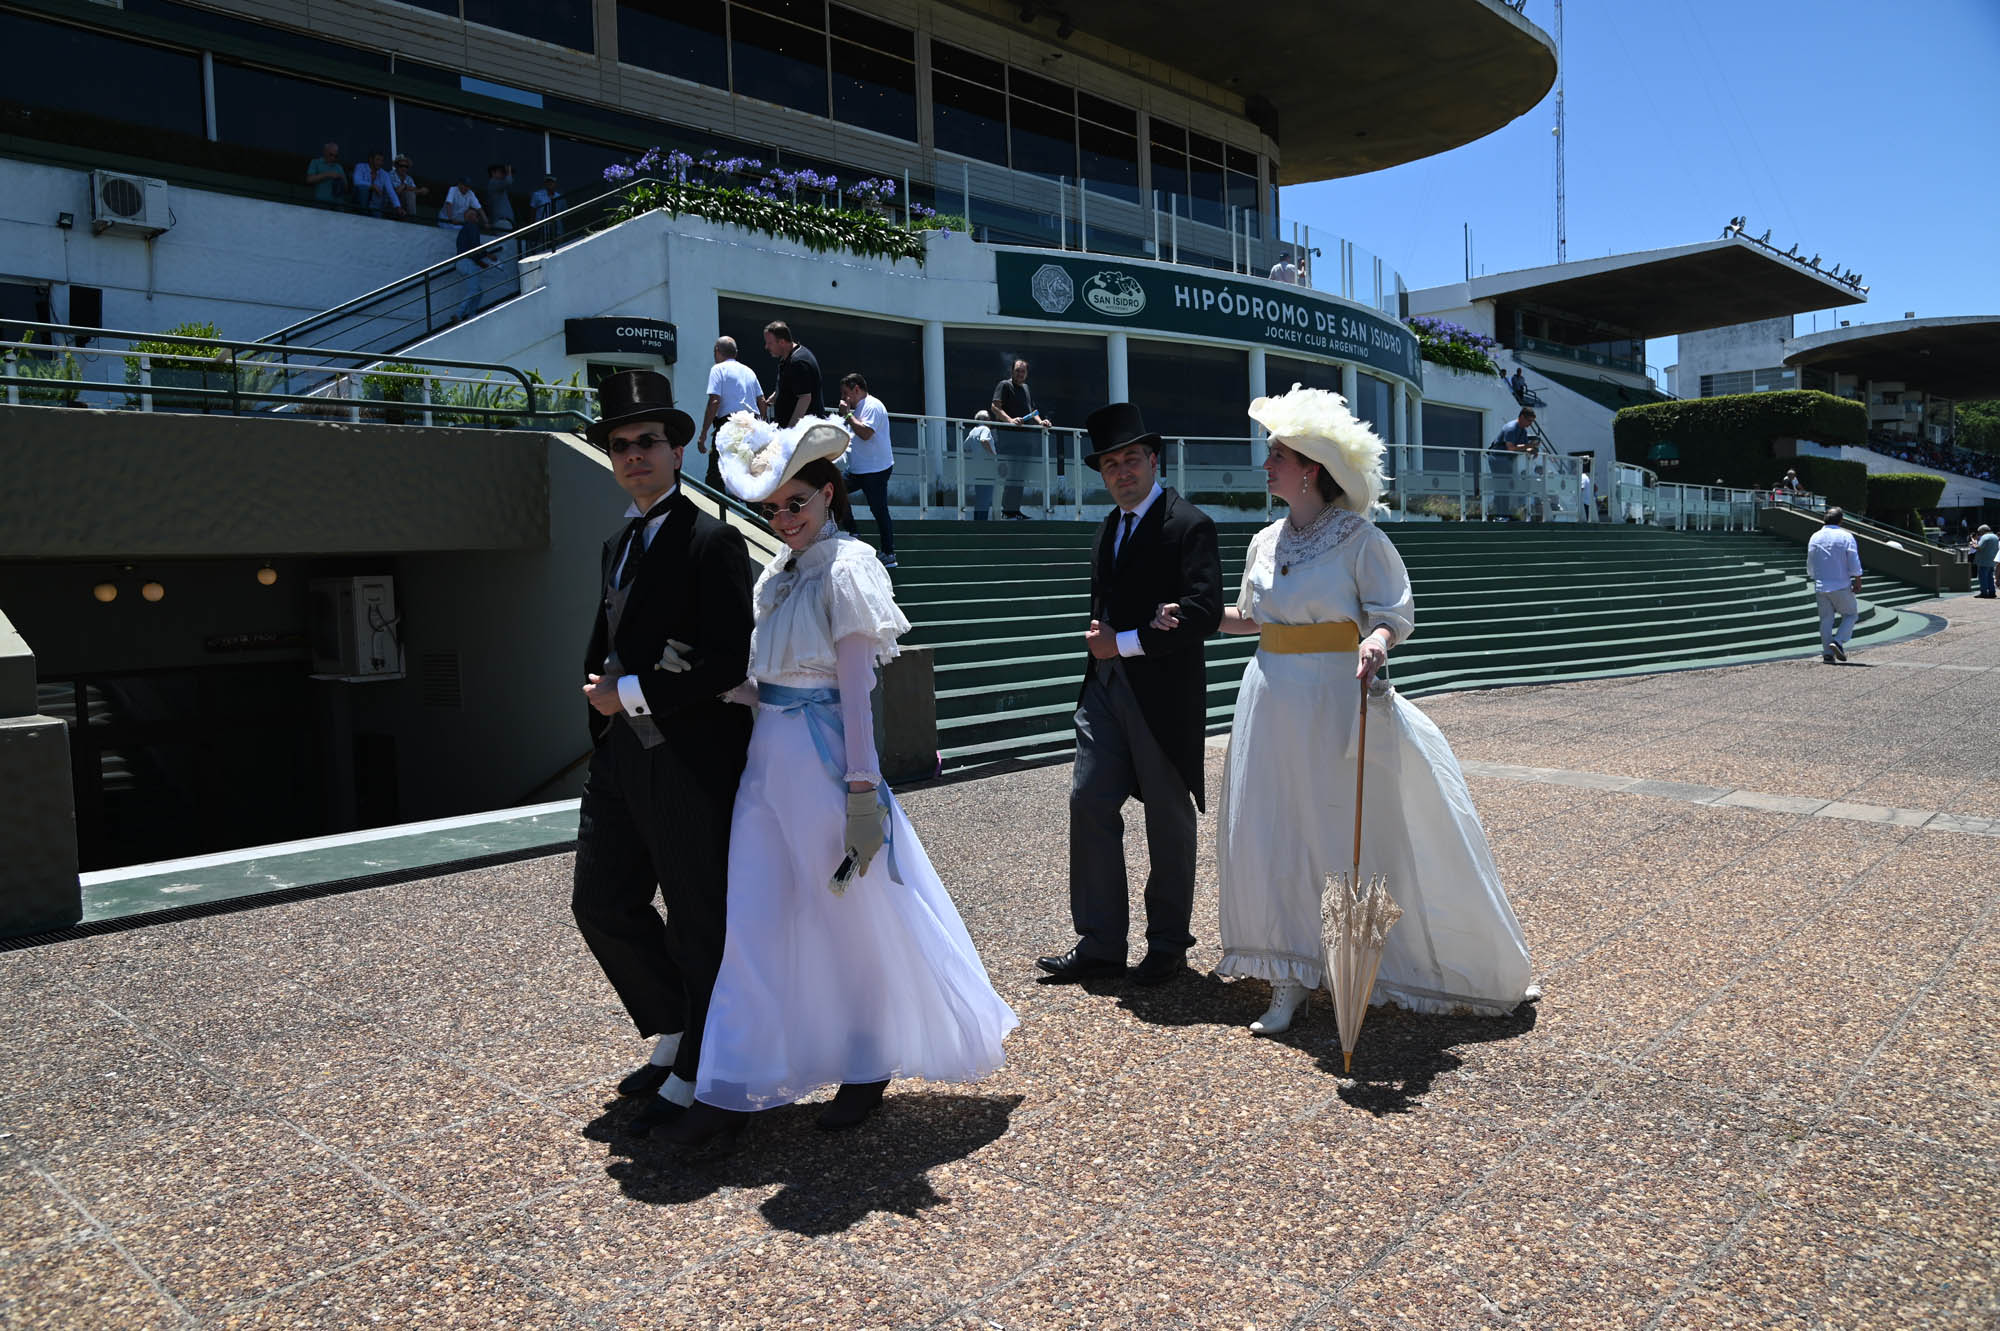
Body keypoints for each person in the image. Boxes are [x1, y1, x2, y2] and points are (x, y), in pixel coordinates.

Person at [663, 411, 1016, 1150]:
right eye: (774, 508)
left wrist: (861, 790)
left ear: (829, 493)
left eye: (797, 502)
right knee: (753, 919)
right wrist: (717, 684)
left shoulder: (850, 566)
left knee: (852, 918)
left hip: (824, 761)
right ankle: (731, 1083)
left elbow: (854, 689)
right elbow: (774, 681)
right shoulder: (779, 572)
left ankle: (867, 1058)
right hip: (767, 760)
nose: (785, 518)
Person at [1184, 385, 1533, 1032]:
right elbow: (1253, 618)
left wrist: (1376, 640)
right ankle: (1289, 974)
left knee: (1337, 829)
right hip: (1269, 696)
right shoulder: (1264, 540)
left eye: (1278, 455)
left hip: (1334, 696)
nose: (1266, 465)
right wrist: (1195, 617)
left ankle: (1359, 962)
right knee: (1275, 830)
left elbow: (1392, 610)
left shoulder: (1359, 539)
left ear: (1310, 468)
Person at [571, 370, 755, 1137]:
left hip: (689, 755)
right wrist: (604, 698)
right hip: (620, 755)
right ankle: (676, 1022)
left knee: (697, 919)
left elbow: (729, 662)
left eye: (647, 441)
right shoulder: (618, 541)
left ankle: (700, 1063)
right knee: (600, 901)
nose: (633, 454)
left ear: (679, 450)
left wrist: (635, 693)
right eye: (620, 444)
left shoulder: (713, 539)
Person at [1037, 403, 1221, 987]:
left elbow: (1204, 612)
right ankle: (1100, 944)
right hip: (1103, 689)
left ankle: (1167, 944)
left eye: (1131, 459)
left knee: (1167, 818)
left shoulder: (1189, 524)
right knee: (1088, 800)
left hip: (1162, 696)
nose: (1122, 472)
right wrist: (1109, 650)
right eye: (1110, 464)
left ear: (1154, 460)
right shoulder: (1108, 527)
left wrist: (1127, 642)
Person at [837, 372, 896, 567]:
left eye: (846, 393)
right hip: (857, 469)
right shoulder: (858, 408)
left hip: (876, 470)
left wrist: (847, 415)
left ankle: (889, 553)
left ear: (856, 389)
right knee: (835, 489)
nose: (843, 398)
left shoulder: (872, 406)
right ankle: (852, 531)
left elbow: (865, 433)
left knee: (878, 510)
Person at [695, 336, 763, 491]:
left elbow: (714, 401)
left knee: (716, 474)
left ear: (716, 351)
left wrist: (703, 433)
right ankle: (754, 506)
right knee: (748, 472)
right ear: (736, 353)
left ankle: (714, 505)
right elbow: (762, 401)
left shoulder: (718, 369)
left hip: (729, 425)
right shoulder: (749, 371)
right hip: (751, 424)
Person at [990, 358, 1052, 520]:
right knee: (1010, 475)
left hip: (1025, 440)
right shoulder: (1004, 385)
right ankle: (1006, 511)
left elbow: (1033, 411)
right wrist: (1010, 420)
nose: (1020, 373)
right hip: (1008, 439)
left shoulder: (1026, 388)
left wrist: (1041, 422)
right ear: (1012, 371)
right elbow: (995, 407)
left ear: (1027, 374)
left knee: (1020, 477)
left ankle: (1014, 510)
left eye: (1023, 371)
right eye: (1017, 370)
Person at [1807, 507, 1864, 663]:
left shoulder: (1815, 536)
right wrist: (1858, 579)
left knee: (1826, 620)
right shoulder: (1846, 536)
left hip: (1821, 584)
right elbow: (1853, 559)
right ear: (1841, 520)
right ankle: (1838, 641)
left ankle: (1827, 653)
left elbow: (1811, 559)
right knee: (1851, 614)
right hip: (1840, 583)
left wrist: (1813, 575)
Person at [759, 320, 821, 428]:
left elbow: (805, 398)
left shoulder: (798, 362)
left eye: (770, 343)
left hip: (801, 432)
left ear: (782, 342)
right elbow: (792, 385)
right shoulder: (787, 359)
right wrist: (775, 396)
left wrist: (790, 431)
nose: (766, 347)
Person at [452, 206, 498, 322]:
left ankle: (471, 315)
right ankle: (459, 313)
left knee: (478, 291)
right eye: (475, 215)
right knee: (474, 290)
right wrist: (488, 255)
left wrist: (480, 262)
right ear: (472, 217)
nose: (476, 217)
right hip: (467, 262)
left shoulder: (464, 230)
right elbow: (474, 247)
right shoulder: (472, 227)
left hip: (462, 262)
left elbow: (470, 249)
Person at [353, 151, 404, 218]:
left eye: (381, 161)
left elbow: (391, 191)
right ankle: (363, 214)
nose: (380, 163)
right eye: (377, 160)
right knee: (363, 188)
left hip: (375, 205)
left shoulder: (384, 174)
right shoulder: (360, 167)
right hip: (359, 202)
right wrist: (373, 186)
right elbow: (357, 181)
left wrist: (398, 207)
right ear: (371, 159)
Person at [305, 142, 348, 209]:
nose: (333, 158)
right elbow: (309, 179)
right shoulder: (315, 162)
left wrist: (341, 178)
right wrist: (328, 175)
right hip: (321, 204)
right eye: (331, 155)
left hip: (337, 206)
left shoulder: (339, 167)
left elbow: (346, 188)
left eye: (336, 156)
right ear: (325, 152)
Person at [483, 162, 516, 230]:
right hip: (502, 222)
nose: (503, 174)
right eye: (500, 172)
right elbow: (508, 182)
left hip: (503, 222)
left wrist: (509, 173)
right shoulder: (493, 183)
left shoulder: (498, 186)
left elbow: (509, 181)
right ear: (493, 173)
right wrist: (508, 171)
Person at [1973, 524, 1997, 598]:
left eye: (1980, 532)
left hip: (1983, 560)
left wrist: (1973, 544)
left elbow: (1979, 547)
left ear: (1982, 531)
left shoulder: (1985, 537)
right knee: (1990, 577)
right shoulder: (1995, 536)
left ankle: (1984, 592)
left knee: (1983, 577)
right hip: (1992, 560)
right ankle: (1992, 592)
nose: (1980, 534)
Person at [1577, 456, 1598, 522]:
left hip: (1584, 503)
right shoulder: (1586, 477)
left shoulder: (1582, 477)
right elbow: (1596, 488)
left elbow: (1581, 489)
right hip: (1588, 503)